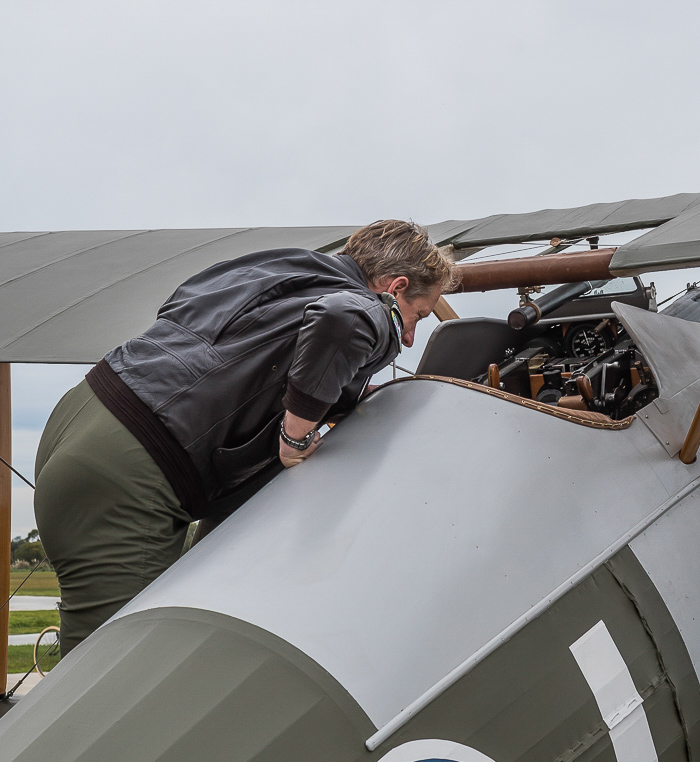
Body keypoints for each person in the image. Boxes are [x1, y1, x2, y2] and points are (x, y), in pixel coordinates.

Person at [34, 220, 456, 655]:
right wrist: (295, 438)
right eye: (417, 316)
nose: (408, 337)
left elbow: (185, 310)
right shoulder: (367, 306)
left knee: (90, 650)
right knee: (116, 666)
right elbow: (343, 321)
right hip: (133, 466)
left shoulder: (276, 265)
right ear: (396, 285)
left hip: (83, 414)